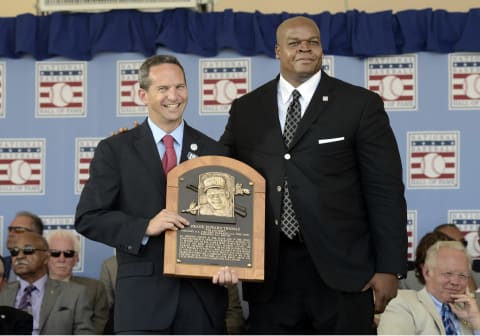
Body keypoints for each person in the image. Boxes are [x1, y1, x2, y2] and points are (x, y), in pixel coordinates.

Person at [219, 16, 407, 333]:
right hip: (271, 273)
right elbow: (220, 169)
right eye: (294, 42)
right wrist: (155, 147)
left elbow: (385, 191)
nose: (305, 48)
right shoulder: (246, 108)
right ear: (278, 51)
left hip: (345, 274)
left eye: (313, 42)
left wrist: (389, 268)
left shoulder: (360, 104)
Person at [75, 54, 238, 334]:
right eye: (162, 89)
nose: (173, 96)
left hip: (202, 305)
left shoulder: (216, 153)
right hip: (142, 305)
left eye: (180, 87)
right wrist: (144, 227)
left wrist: (229, 263)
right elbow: (89, 218)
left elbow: (232, 228)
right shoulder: (115, 150)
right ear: (143, 94)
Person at [99, 254, 245, 334]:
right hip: (144, 324)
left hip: (205, 323)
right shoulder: (112, 266)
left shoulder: (220, 265)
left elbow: (234, 312)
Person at [0, 231, 94, 334]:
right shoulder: (3, 292)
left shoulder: (75, 294)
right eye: (15, 251)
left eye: (28, 250)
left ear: (46, 257)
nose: (19, 256)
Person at [378, 241, 480, 334]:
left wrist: (476, 321)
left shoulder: (470, 310)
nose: (455, 282)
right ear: (427, 272)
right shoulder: (402, 303)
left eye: (462, 275)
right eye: (448, 274)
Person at [45, 229, 109, 334]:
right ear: (46, 257)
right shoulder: (32, 288)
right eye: (55, 253)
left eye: (68, 253)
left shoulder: (94, 289)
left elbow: (96, 329)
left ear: (76, 258)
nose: (61, 259)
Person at [4, 211, 44, 282]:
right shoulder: (2, 265)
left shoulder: (51, 269)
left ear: (36, 236)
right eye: (10, 229)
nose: (11, 234)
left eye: (18, 230)